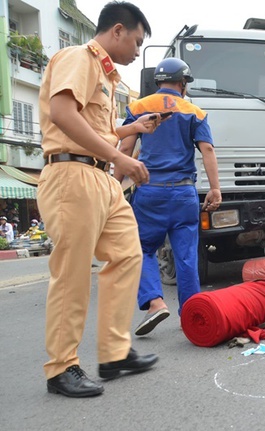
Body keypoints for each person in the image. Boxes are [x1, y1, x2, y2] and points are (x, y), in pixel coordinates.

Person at [38, 2, 160, 398]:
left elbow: (96, 129)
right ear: (118, 31)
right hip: (71, 174)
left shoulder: (108, 79)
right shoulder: (79, 57)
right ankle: (61, 368)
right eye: (138, 42)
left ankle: (113, 352)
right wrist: (121, 156)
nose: (138, 52)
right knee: (72, 273)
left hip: (100, 177)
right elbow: (61, 112)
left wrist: (132, 128)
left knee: (128, 255)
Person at [116, 58, 222, 336]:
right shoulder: (194, 111)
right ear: (183, 84)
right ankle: (191, 314)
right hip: (184, 192)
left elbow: (125, 147)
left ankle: (155, 302)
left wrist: (114, 185)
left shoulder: (139, 107)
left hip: (150, 191)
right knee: (186, 256)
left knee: (141, 248)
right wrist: (215, 188)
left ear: (158, 82)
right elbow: (207, 151)